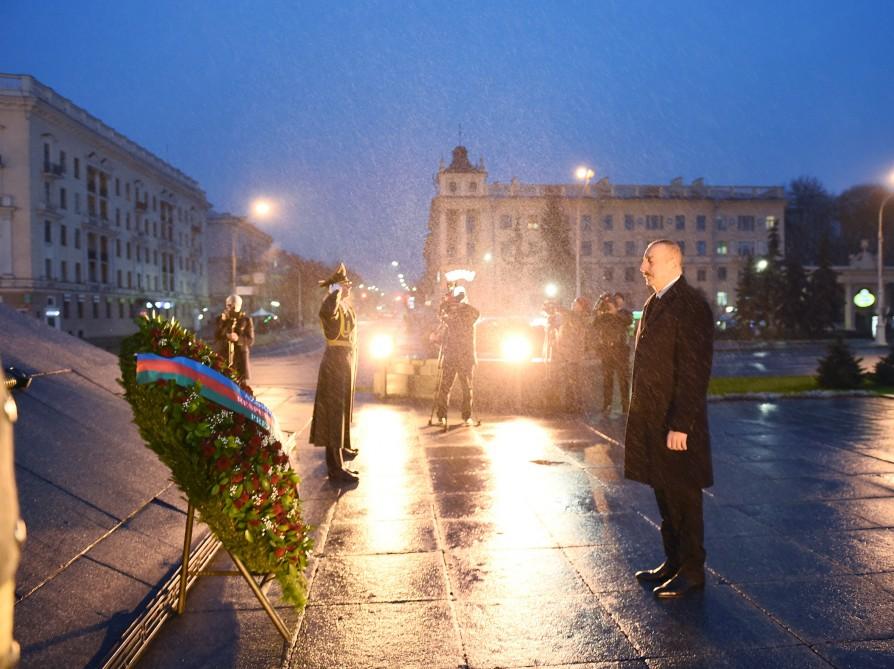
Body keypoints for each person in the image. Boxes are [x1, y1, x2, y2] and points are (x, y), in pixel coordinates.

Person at [625, 240, 714, 598]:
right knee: (665, 493)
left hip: (677, 425)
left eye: (648, 260)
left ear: (671, 262)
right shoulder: (655, 303)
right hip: (653, 420)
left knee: (683, 497)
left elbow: (694, 371)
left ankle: (692, 570)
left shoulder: (690, 305)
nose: (642, 266)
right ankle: (674, 560)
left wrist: (681, 424)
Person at [310, 262, 360, 484]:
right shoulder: (330, 305)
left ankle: (342, 448)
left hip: (345, 360)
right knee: (334, 415)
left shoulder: (344, 306)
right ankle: (335, 469)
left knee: (343, 410)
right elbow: (326, 312)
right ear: (335, 288)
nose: (348, 286)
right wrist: (334, 294)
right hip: (335, 361)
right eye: (344, 284)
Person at [435, 285, 480, 427]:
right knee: (445, 387)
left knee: (466, 388)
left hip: (465, 356)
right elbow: (441, 316)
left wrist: (454, 310)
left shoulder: (470, 312)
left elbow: (462, 322)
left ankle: (466, 416)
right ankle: (441, 415)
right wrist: (445, 305)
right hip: (451, 355)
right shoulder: (449, 312)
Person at [593, 292, 631, 415]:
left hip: (620, 350)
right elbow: (595, 324)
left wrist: (615, 313)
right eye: (615, 300)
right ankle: (607, 405)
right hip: (607, 351)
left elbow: (627, 321)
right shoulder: (605, 315)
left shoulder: (625, 313)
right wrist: (600, 307)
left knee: (623, 380)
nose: (617, 302)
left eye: (619, 300)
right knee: (607, 380)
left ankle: (625, 406)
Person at [555, 296, 592, 413]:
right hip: (567, 354)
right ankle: (571, 404)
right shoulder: (571, 316)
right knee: (569, 380)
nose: (572, 305)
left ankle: (575, 405)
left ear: (581, 306)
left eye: (575, 303)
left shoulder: (580, 318)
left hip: (574, 355)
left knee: (574, 381)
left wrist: (560, 309)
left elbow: (576, 325)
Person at [214, 294, 255, 382]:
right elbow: (216, 336)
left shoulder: (245, 320)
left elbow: (250, 340)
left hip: (239, 357)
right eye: (227, 305)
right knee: (223, 384)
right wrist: (223, 322)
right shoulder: (220, 319)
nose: (229, 308)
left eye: (232, 305)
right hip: (223, 355)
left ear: (238, 306)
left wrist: (238, 339)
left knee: (240, 385)